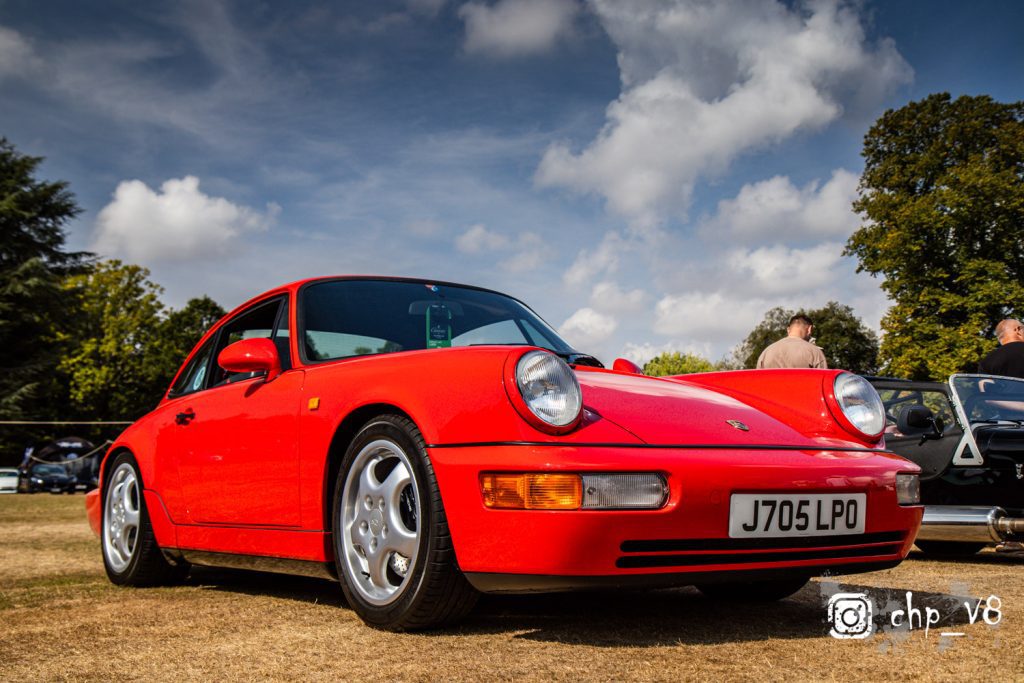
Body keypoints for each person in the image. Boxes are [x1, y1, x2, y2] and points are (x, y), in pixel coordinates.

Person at [756, 314, 827, 369]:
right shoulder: (815, 352)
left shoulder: (766, 352)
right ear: (809, 329)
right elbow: (823, 382)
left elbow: (757, 382)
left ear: (788, 329)